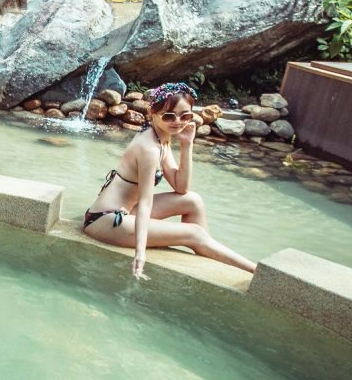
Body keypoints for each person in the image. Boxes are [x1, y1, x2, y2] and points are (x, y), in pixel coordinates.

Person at [81, 81, 256, 276]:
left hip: (128, 211)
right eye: (169, 115)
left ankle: (204, 256)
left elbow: (181, 188)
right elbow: (146, 202)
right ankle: (254, 271)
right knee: (194, 233)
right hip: (105, 221)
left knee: (193, 201)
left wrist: (186, 145)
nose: (178, 121)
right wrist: (140, 254)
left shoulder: (161, 137)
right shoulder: (149, 149)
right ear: (152, 113)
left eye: (185, 116)